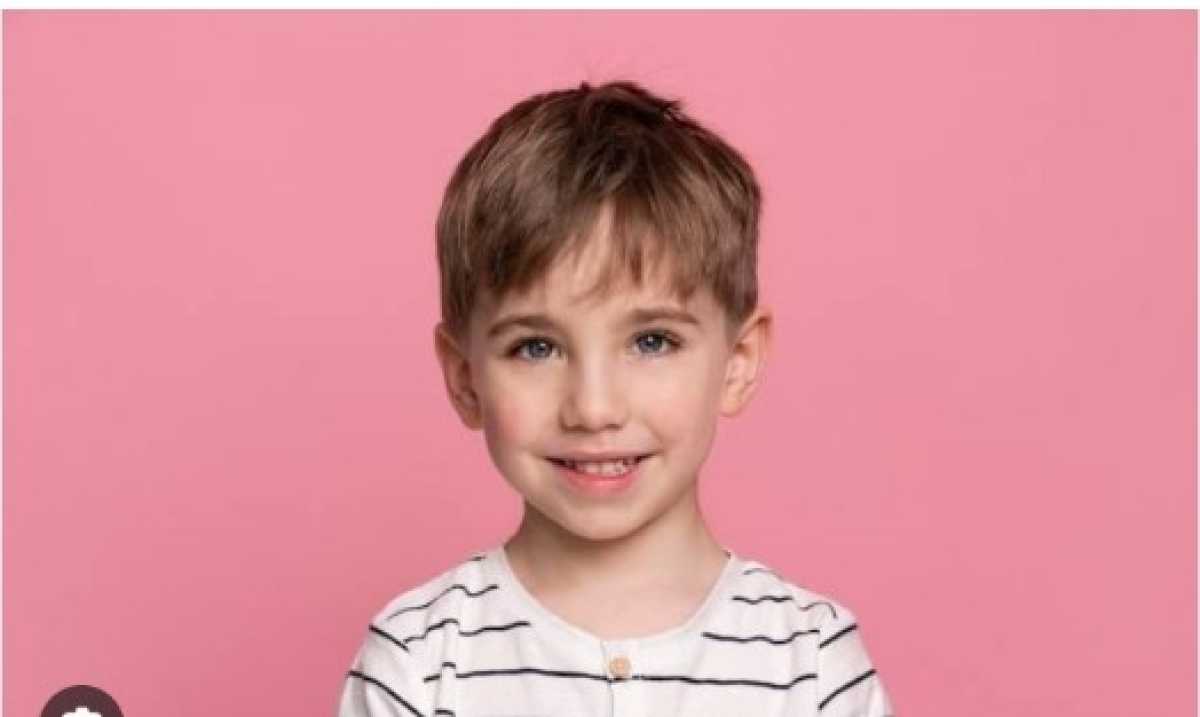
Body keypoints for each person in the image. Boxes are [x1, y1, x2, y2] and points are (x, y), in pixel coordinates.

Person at [337, 80, 894, 717]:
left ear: (738, 361)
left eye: (652, 341)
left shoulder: (811, 664)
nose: (594, 409)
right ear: (465, 378)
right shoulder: (416, 665)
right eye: (536, 347)